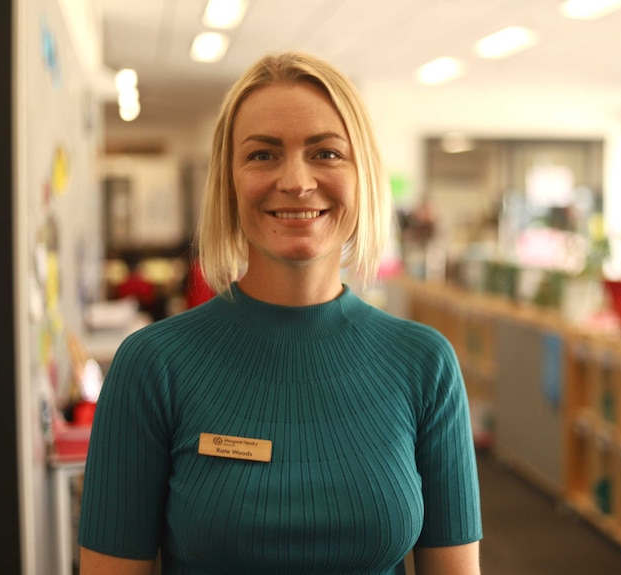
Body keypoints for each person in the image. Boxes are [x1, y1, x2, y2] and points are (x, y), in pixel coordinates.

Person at [78, 51, 483, 574]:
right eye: (263, 155)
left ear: (362, 175)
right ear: (229, 180)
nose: (295, 181)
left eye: (327, 153)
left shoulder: (424, 364)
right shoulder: (152, 366)